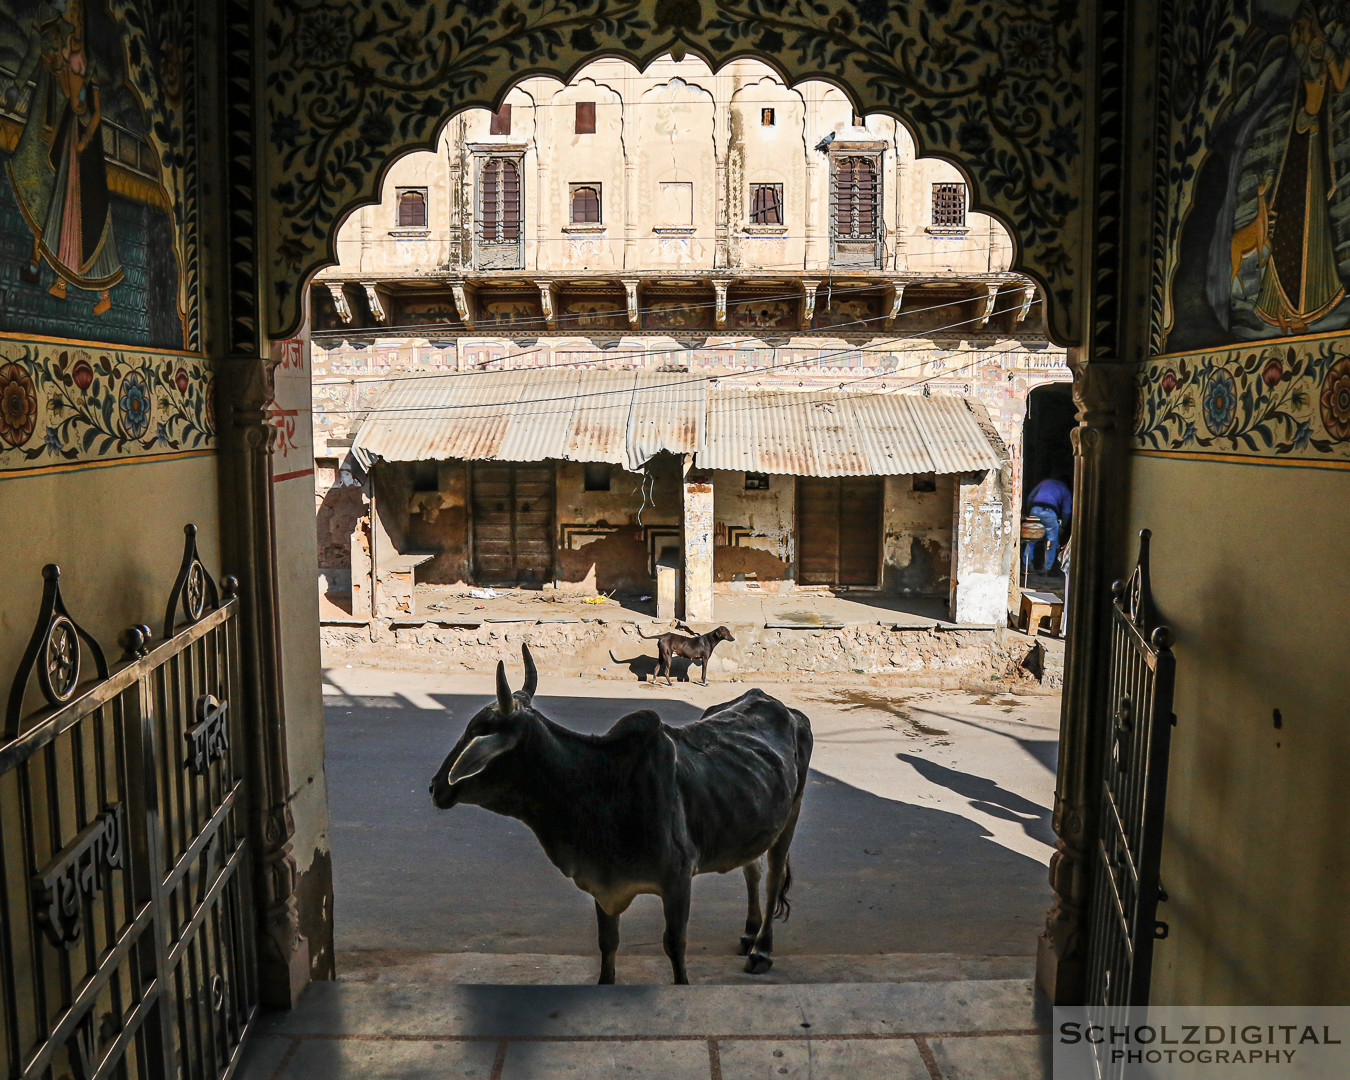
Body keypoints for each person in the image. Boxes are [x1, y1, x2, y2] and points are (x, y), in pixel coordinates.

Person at [1023, 475, 1072, 576]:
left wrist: (1029, 512)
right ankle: (1047, 568)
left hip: (1035, 509)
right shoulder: (1064, 489)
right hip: (1050, 512)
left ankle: (1027, 565)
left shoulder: (1045, 482)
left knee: (1031, 538)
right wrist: (1063, 526)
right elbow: (1066, 511)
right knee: (1052, 540)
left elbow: (1031, 497)